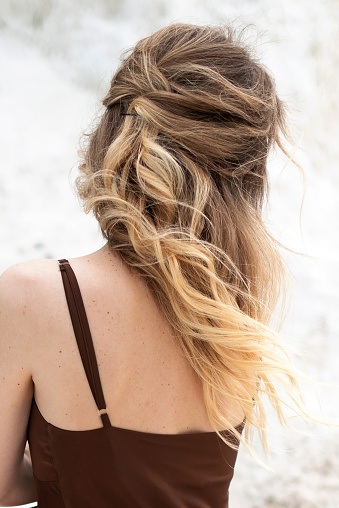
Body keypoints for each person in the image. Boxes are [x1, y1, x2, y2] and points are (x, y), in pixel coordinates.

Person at [0, 23, 311, 508]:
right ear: (250, 172)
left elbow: (2, 486)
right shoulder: (235, 314)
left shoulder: (36, 294)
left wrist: (58, 466)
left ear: (114, 140)